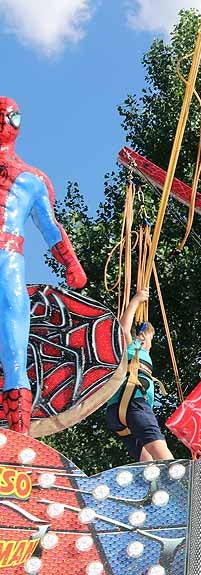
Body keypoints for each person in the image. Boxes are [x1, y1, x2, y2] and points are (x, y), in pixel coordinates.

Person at [0, 97, 87, 433]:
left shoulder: (32, 179)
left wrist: (72, 265)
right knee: (13, 348)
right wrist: (72, 265)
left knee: (14, 346)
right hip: (9, 260)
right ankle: (18, 433)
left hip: (9, 261)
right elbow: (52, 230)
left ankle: (19, 433)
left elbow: (52, 229)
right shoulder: (32, 179)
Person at [104, 288, 172, 461]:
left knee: (147, 462)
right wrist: (137, 299)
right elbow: (124, 328)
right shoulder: (133, 347)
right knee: (160, 450)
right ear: (141, 339)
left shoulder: (141, 354)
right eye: (150, 340)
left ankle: (153, 486)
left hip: (118, 412)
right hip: (133, 403)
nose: (150, 345)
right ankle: (177, 483)